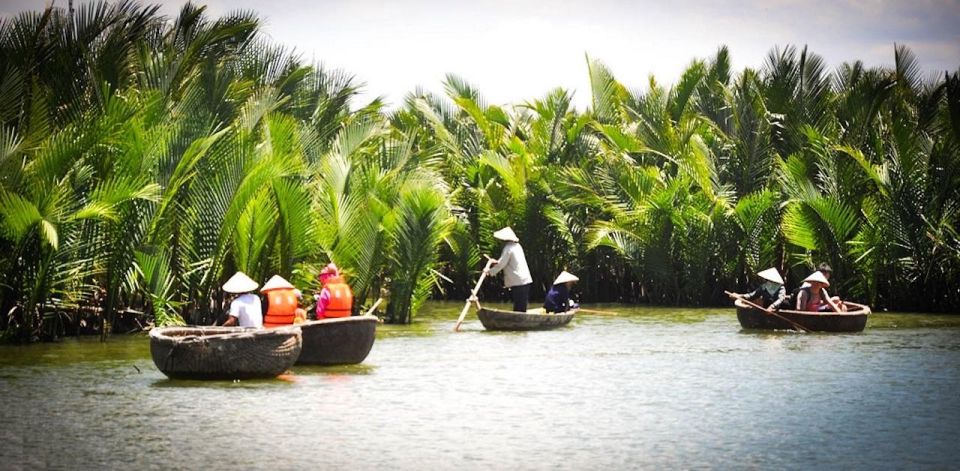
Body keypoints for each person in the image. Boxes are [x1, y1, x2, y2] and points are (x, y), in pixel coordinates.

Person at [485, 227, 533, 312]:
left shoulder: (508, 248)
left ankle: (518, 323)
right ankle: (519, 323)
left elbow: (502, 264)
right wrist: (496, 263)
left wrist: (489, 272)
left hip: (519, 281)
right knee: (521, 306)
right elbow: (505, 261)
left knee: (519, 308)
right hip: (523, 280)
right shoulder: (517, 246)